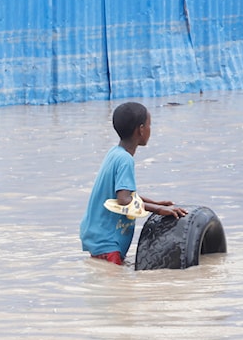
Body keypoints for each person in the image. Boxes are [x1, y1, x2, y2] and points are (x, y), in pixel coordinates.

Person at [79, 101, 187, 265]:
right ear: (141, 129)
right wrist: (158, 209)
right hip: (109, 244)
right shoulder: (125, 160)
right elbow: (124, 200)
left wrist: (154, 202)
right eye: (150, 125)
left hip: (98, 237)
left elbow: (121, 194)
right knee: (117, 287)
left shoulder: (114, 153)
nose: (151, 129)